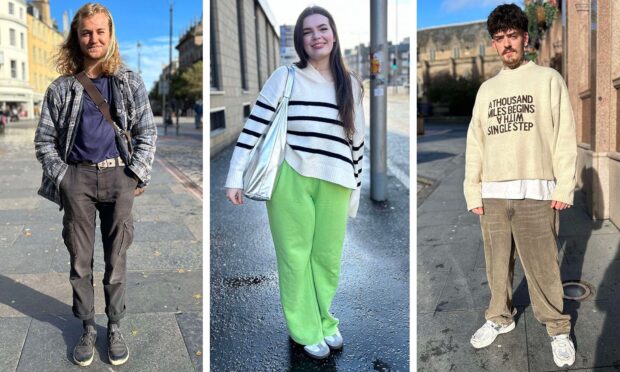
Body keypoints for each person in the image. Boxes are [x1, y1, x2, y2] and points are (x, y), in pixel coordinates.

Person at [225, 6, 364, 360]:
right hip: (291, 176)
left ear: (334, 34)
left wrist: (356, 188)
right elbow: (254, 127)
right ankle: (304, 328)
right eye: (308, 31)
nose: (317, 36)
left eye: (323, 28)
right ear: (300, 41)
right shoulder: (285, 76)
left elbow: (357, 140)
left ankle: (324, 319)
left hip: (336, 180)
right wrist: (234, 176)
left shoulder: (352, 83)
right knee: (294, 256)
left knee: (327, 259)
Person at [34, 3, 156, 367]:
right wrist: (64, 178)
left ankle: (114, 325)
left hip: (119, 175)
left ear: (110, 34)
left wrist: (136, 173)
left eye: (100, 31)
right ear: (77, 36)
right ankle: (88, 326)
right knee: (80, 260)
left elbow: (146, 131)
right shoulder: (61, 88)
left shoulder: (129, 81)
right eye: (87, 32)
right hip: (78, 179)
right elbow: (44, 141)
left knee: (116, 258)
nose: (94, 38)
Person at [463, 3, 577, 368]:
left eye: (512, 36)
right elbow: (475, 142)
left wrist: (564, 187)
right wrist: (472, 189)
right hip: (493, 193)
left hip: (536, 191)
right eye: (499, 39)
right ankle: (499, 317)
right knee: (496, 265)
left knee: (543, 266)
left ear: (525, 38)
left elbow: (564, 136)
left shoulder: (547, 80)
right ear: (494, 44)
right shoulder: (486, 90)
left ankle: (558, 328)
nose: (506, 44)